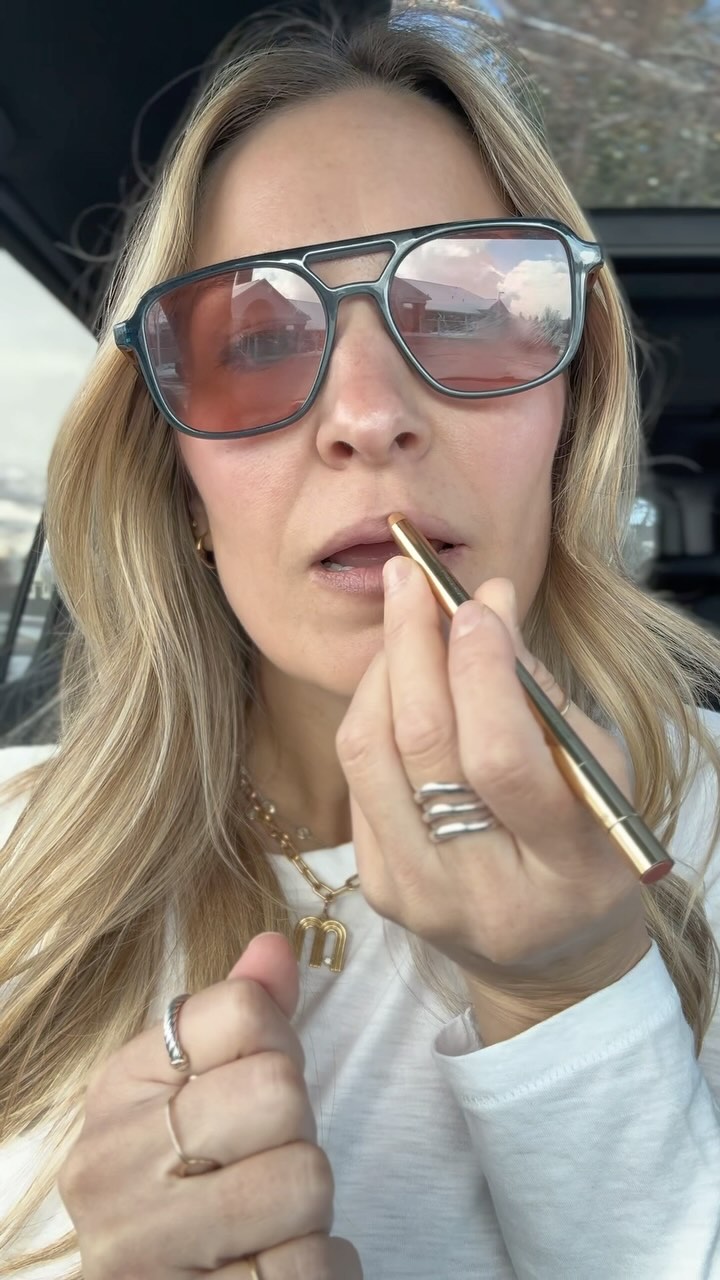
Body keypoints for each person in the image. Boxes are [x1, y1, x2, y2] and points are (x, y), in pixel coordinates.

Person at [1, 5, 719, 1278]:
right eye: (254, 339)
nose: (370, 415)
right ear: (181, 486)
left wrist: (571, 998)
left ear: (568, 413)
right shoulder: (17, 852)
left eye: (468, 309)